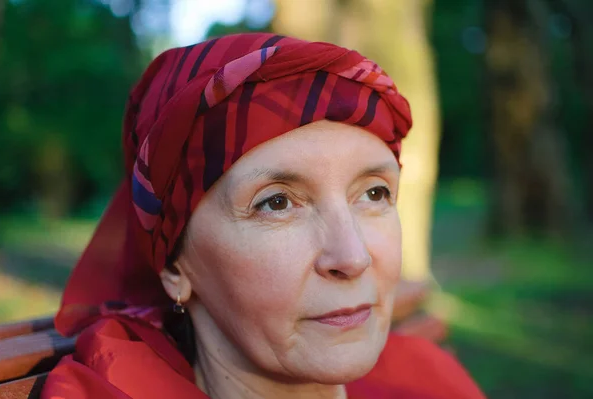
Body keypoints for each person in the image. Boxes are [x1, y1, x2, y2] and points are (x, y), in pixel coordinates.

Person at [41, 33, 485, 399]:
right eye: (276, 203)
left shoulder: (426, 380)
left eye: (374, 192)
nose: (352, 257)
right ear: (175, 267)